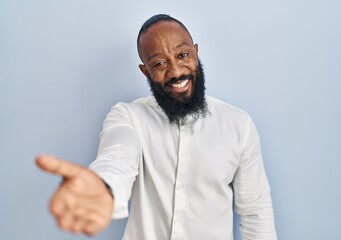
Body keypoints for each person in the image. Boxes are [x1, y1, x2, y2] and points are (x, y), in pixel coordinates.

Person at [36, 14, 277, 240]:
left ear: (195, 52)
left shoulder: (238, 124)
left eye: (182, 55)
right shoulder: (128, 116)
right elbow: (118, 156)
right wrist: (104, 186)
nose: (176, 71)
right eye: (160, 63)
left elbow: (256, 213)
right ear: (145, 71)